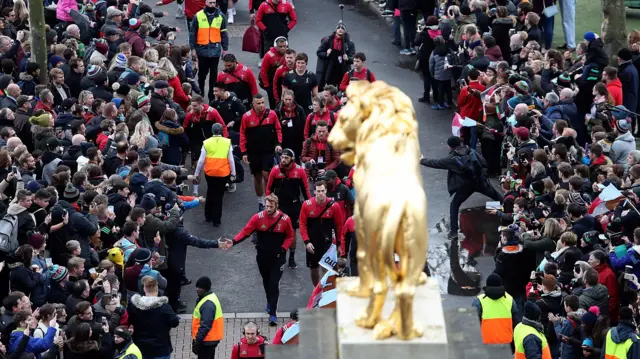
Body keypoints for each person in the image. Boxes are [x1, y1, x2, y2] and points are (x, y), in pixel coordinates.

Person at [224, 193, 294, 325]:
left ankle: (273, 313)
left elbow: (290, 236)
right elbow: (246, 232)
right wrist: (233, 241)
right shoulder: (258, 218)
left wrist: (283, 248)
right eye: (266, 206)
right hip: (262, 256)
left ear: (276, 206)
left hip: (278, 257)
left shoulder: (285, 219)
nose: (268, 209)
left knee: (274, 284)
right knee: (266, 281)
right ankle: (269, 301)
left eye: (270, 206)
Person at [420, 136, 502, 239]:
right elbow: (484, 163)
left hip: (465, 185)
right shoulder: (471, 151)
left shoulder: (452, 159)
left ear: (450, 147)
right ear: (461, 143)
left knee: (454, 205)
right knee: (497, 197)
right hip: (480, 182)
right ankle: (511, 211)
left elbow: (436, 163)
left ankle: (454, 232)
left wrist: (422, 160)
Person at [266, 148, 309, 269]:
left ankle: (291, 257)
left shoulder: (300, 171)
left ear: (292, 159)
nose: (283, 160)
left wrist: (309, 204)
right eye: (282, 158)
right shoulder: (275, 170)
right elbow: (269, 189)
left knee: (292, 232)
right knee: (277, 230)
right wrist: (269, 202)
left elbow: (305, 189)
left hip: (294, 206)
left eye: (286, 158)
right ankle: (279, 255)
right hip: (279, 206)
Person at [239, 94, 282, 211]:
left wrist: (278, 144)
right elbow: (242, 135)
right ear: (253, 104)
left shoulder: (272, 114)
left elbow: (278, 129)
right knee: (257, 177)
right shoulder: (246, 117)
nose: (261, 105)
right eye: (258, 103)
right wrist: (244, 152)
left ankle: (269, 199)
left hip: (268, 150)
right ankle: (260, 201)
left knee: (266, 174)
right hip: (254, 152)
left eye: (263, 102)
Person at [299, 180, 343, 287]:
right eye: (318, 191)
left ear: (326, 191)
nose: (321, 193)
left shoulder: (334, 206)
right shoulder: (306, 205)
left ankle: (327, 292)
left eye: (323, 191)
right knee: (314, 269)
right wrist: (307, 242)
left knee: (328, 269)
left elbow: (339, 226)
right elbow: (302, 224)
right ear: (314, 192)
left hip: (328, 244)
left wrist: (339, 244)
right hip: (312, 244)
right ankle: (317, 290)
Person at [194, 123, 236, 226]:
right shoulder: (227, 142)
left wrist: (197, 173)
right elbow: (231, 159)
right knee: (219, 195)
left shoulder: (206, 142)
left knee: (210, 192)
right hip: (223, 172)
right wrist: (233, 172)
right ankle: (217, 220)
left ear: (212, 131)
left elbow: (201, 160)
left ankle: (208, 216)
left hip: (210, 172)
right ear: (221, 131)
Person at [127, 276, 180, 359]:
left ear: (144, 289)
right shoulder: (164, 307)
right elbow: (175, 322)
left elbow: (129, 320)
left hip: (141, 347)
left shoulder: (134, 306)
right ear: (157, 288)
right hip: (161, 348)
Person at [189, 0, 229, 101]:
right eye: (210, 2)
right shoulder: (198, 16)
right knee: (202, 74)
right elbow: (192, 33)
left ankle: (212, 96)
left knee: (213, 76)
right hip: (202, 50)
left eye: (214, 2)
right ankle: (201, 92)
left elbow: (224, 34)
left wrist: (225, 50)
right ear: (205, 3)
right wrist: (193, 49)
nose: (212, 5)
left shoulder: (220, 16)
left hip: (215, 51)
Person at [472, 273, 517, 345]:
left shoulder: (479, 301)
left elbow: (473, 324)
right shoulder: (510, 300)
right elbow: (515, 322)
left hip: (486, 344)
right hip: (506, 344)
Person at [191, 276, 224, 359]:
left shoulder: (208, 304)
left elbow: (205, 325)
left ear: (205, 289)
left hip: (207, 340)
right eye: (197, 287)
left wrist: (197, 342)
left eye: (200, 288)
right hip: (210, 339)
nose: (197, 289)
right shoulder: (209, 297)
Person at [316, 21, 355, 90]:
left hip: (343, 71)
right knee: (330, 91)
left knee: (342, 90)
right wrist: (326, 54)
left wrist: (348, 59)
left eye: (342, 28)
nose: (340, 29)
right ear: (336, 30)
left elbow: (354, 59)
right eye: (338, 28)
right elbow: (319, 52)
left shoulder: (349, 43)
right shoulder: (328, 40)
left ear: (345, 31)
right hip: (330, 70)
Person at [259, 36, 287, 109]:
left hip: (284, 82)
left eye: (284, 46)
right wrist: (267, 86)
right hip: (271, 83)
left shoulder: (288, 54)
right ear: (275, 46)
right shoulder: (269, 55)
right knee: (274, 103)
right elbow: (263, 71)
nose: (283, 48)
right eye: (280, 46)